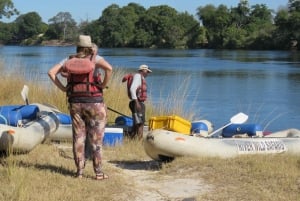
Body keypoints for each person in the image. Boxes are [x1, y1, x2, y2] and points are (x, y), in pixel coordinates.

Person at [48, 35, 113, 180]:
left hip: (75, 103)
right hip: (95, 103)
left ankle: (79, 172)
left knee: (78, 137)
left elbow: (51, 72)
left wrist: (64, 89)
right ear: (90, 47)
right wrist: (102, 85)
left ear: (77, 47)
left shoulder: (68, 60)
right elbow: (109, 68)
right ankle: (99, 173)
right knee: (96, 140)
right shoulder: (95, 59)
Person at [129, 64, 152, 139]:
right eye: (147, 71)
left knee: (137, 123)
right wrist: (137, 103)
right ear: (142, 70)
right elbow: (132, 89)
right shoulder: (138, 77)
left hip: (138, 103)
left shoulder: (140, 77)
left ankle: (132, 139)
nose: (148, 73)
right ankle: (140, 141)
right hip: (137, 103)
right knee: (140, 123)